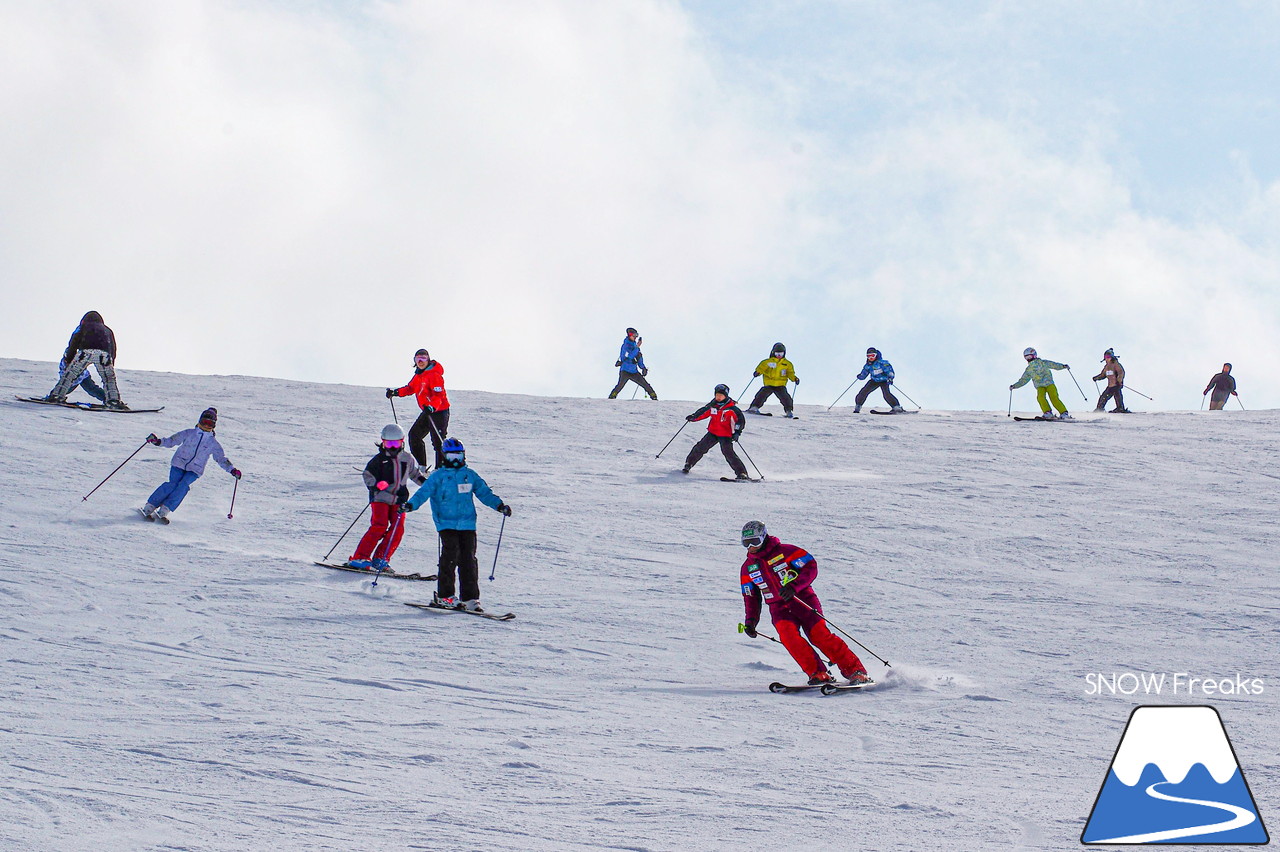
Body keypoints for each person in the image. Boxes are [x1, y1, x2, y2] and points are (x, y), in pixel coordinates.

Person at [739, 520, 869, 686]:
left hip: (802, 600)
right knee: (788, 637)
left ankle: (856, 671)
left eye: (754, 542)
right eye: (746, 543)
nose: (751, 547)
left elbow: (810, 566)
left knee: (819, 635)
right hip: (779, 608)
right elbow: (750, 597)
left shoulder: (786, 551)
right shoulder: (748, 568)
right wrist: (751, 622)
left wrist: (794, 586)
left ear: (763, 538)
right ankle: (818, 673)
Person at [405, 437, 511, 612]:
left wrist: (499, 506)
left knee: (468, 559)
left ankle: (470, 598)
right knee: (450, 556)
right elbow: (423, 493)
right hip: (445, 522)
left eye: (459, 456)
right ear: (444, 456)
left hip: (467, 523)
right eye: (452, 456)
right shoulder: (438, 476)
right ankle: (445, 595)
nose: (456, 460)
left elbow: (484, 493)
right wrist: (410, 505)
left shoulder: (469, 475)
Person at [347, 424, 426, 570]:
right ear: (383, 442)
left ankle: (381, 558)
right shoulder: (378, 460)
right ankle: (360, 557)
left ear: (402, 442)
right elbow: (367, 475)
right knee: (379, 525)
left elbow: (414, 474)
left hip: (400, 499)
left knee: (398, 528)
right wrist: (376, 485)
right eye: (388, 443)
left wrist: (427, 485)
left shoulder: (407, 458)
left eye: (396, 443)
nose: (392, 447)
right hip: (380, 498)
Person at [141, 408, 241, 521]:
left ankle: (166, 508)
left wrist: (232, 470)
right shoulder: (189, 433)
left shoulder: (213, 443)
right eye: (204, 422)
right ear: (199, 421)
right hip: (179, 463)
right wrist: (157, 441)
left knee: (183, 486)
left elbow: (221, 459)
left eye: (210, 424)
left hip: (195, 470)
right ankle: (150, 506)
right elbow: (171, 441)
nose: (207, 426)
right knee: (172, 484)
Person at [45, 311, 126, 409]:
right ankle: (113, 401)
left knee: (69, 375)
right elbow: (113, 347)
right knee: (109, 379)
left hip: (85, 352)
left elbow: (73, 342)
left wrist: (69, 359)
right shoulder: (107, 330)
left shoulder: (82, 327)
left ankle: (56, 396)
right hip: (104, 354)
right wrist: (111, 363)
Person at [388, 349, 450, 469]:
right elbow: (410, 388)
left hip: (439, 411)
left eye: (423, 358)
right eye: (418, 359)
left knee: (438, 441)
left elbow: (439, 396)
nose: (420, 361)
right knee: (414, 435)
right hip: (428, 411)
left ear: (428, 359)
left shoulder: (434, 375)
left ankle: (440, 470)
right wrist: (395, 392)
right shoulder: (419, 375)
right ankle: (422, 467)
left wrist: (432, 407)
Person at [682, 384, 749, 479]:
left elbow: (740, 421)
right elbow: (703, 412)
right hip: (713, 432)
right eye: (717, 395)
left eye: (720, 396)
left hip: (726, 435)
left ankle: (742, 473)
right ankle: (689, 463)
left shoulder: (732, 409)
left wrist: (737, 432)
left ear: (725, 396)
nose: (718, 397)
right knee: (700, 447)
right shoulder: (713, 406)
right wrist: (694, 417)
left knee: (728, 453)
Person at [56, 314, 107, 403]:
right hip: (79, 365)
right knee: (91, 388)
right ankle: (108, 400)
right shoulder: (103, 331)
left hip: (76, 364)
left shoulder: (81, 329)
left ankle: (56, 396)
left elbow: (72, 344)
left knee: (68, 385)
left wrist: (69, 359)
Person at [1010, 347, 1071, 419]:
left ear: (1034, 355)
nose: (1028, 359)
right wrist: (1015, 386)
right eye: (1026, 358)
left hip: (1049, 384)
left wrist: (1062, 366)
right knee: (1040, 397)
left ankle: (1064, 413)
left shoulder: (1043, 363)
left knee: (1054, 397)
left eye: (1029, 356)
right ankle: (1047, 412)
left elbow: (1053, 365)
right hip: (1039, 386)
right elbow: (1023, 380)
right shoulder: (1029, 369)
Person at [747, 342, 799, 418]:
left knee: (786, 397)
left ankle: (789, 411)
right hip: (769, 383)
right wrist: (758, 372)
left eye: (781, 353)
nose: (779, 355)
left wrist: (795, 378)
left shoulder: (787, 364)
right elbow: (761, 368)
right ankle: (754, 407)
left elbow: (790, 373)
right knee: (762, 395)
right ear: (773, 352)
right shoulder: (767, 362)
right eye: (777, 353)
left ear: (784, 353)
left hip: (780, 385)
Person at [608, 327, 657, 400]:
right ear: (629, 335)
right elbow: (630, 356)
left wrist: (643, 368)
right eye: (634, 336)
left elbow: (639, 357)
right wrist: (637, 347)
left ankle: (654, 396)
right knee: (620, 386)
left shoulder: (634, 346)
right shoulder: (626, 346)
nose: (635, 337)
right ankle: (612, 397)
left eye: (636, 336)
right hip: (625, 371)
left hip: (634, 371)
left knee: (645, 384)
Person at [852, 347, 902, 413]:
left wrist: (890, 378)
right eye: (869, 356)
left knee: (886, 394)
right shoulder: (868, 365)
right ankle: (858, 407)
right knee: (863, 392)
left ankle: (896, 407)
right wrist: (860, 376)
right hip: (874, 381)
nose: (871, 358)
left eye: (872, 355)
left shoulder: (882, 363)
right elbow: (864, 374)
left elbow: (889, 371)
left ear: (876, 355)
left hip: (883, 380)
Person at [1092, 348, 1129, 413]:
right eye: (1106, 357)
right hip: (1111, 385)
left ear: (1112, 357)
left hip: (1116, 384)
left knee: (1116, 396)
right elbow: (1103, 375)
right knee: (1104, 397)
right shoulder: (1107, 367)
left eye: (1108, 357)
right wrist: (1096, 378)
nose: (1107, 358)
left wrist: (1119, 380)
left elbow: (1121, 372)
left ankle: (1119, 408)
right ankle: (1100, 408)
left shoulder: (1116, 364)